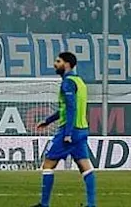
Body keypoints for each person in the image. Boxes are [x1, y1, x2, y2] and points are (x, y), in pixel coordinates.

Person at [33, 52, 97, 207]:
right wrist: (48, 121)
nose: (55, 64)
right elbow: (65, 109)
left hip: (70, 131)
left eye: (58, 61)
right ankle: (91, 204)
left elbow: (71, 108)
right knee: (86, 167)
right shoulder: (80, 82)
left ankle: (44, 204)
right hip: (82, 130)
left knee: (48, 164)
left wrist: (67, 133)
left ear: (67, 64)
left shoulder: (67, 82)